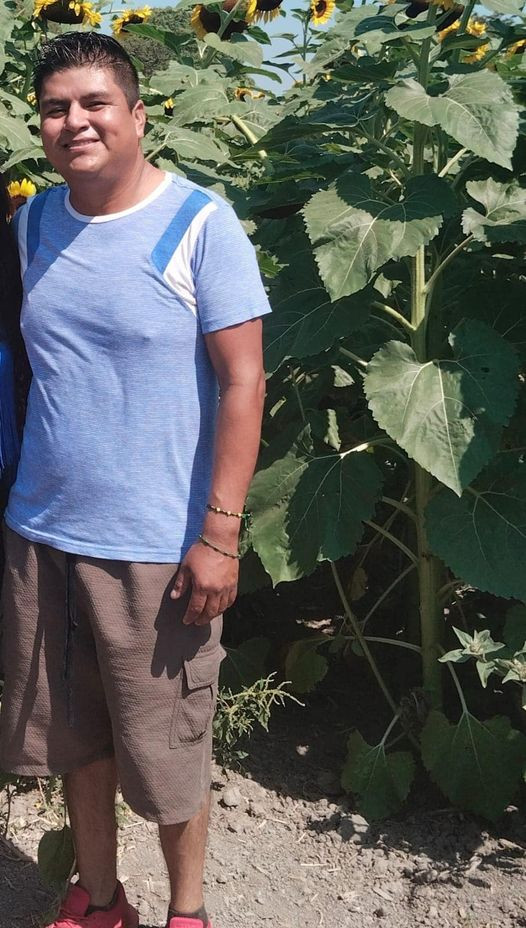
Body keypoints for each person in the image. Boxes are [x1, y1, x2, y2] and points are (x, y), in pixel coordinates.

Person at [0, 31, 270, 928]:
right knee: (75, 737)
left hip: (158, 548)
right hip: (43, 532)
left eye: (95, 103)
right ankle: (99, 897)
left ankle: (186, 912)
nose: (74, 122)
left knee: (168, 753)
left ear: (138, 115)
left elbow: (244, 381)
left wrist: (220, 532)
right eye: (55, 108)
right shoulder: (32, 227)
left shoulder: (199, 224)